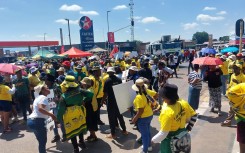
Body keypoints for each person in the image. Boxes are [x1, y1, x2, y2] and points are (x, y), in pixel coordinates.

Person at [151, 83, 197, 153]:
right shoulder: (180, 103)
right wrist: (157, 106)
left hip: (169, 140)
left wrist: (153, 140)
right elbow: (170, 111)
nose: (162, 98)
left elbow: (164, 133)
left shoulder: (166, 113)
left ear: (166, 98)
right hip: (181, 134)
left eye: (163, 96)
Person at [57, 75, 93, 153]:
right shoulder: (80, 91)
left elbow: (61, 109)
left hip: (69, 116)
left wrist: (58, 119)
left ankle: (76, 148)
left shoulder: (63, 96)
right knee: (80, 127)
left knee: (72, 131)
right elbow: (90, 94)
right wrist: (84, 100)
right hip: (79, 112)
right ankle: (82, 142)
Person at [27, 84, 57, 153]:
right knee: (42, 141)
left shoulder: (37, 98)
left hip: (31, 121)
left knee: (41, 141)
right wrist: (51, 115)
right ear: (43, 90)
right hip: (38, 122)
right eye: (47, 88)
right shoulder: (43, 97)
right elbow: (40, 109)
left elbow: (33, 109)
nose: (48, 88)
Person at [101, 67, 128, 139]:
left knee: (111, 117)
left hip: (111, 101)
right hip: (118, 100)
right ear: (114, 72)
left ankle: (113, 134)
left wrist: (102, 101)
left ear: (108, 73)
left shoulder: (107, 81)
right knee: (120, 116)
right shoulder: (119, 80)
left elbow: (105, 93)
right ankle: (124, 130)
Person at [131, 79, 156, 153]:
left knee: (144, 135)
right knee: (147, 132)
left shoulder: (139, 97)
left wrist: (134, 119)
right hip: (149, 115)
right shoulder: (147, 91)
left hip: (143, 118)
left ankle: (145, 151)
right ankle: (149, 146)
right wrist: (152, 104)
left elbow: (140, 111)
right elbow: (156, 94)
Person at [227, 83, 245, 153]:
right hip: (241, 118)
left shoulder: (240, 86)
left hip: (241, 118)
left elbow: (229, 93)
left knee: (242, 141)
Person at [81, 77, 98, 142]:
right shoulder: (90, 89)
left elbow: (84, 101)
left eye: (83, 84)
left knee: (90, 123)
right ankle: (92, 135)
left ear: (86, 84)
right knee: (91, 122)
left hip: (90, 109)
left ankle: (94, 137)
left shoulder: (88, 91)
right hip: (92, 108)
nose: (82, 85)